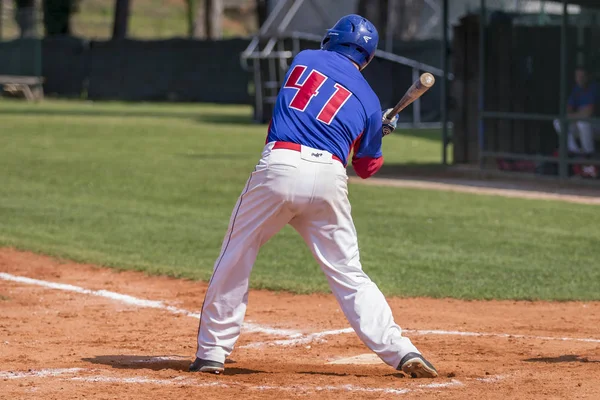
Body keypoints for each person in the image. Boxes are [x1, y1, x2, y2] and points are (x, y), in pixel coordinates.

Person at [189, 14, 438, 379]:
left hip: (280, 165)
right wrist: (377, 131)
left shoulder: (303, 60)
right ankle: (401, 350)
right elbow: (367, 167)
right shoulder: (369, 101)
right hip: (328, 180)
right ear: (367, 57)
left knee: (237, 253)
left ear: (331, 40)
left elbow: (317, 108)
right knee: (349, 272)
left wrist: (371, 129)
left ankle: (212, 352)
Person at [553, 66, 600, 156]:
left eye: (582, 76)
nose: (580, 79)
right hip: (582, 124)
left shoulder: (595, 88)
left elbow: (589, 112)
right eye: (577, 76)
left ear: (588, 77)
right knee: (558, 122)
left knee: (582, 123)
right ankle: (574, 151)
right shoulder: (576, 90)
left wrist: (576, 114)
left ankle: (588, 154)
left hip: (596, 124)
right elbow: (568, 110)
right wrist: (580, 113)